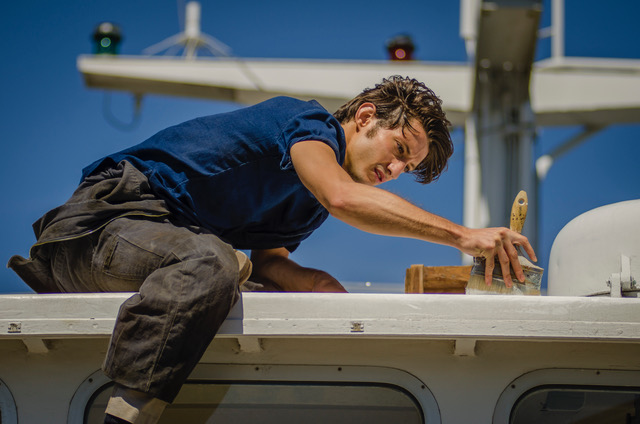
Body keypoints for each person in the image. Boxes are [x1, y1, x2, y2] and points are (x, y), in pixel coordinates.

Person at [8, 75, 536, 424]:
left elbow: (271, 262)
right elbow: (343, 195)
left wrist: (322, 290)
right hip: (99, 230)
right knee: (212, 261)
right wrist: (465, 236)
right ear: (366, 116)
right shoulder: (306, 124)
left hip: (162, 250)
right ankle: (124, 416)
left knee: (239, 269)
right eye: (399, 150)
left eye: (406, 169)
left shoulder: (305, 209)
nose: (394, 172)